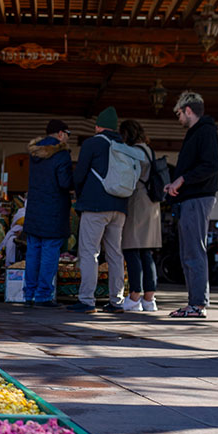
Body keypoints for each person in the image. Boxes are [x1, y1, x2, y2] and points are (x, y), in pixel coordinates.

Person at [165, 91, 218, 318]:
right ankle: (195, 303)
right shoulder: (196, 132)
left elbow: (211, 165)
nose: (178, 119)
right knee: (189, 251)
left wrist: (182, 179)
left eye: (178, 113)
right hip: (191, 197)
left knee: (194, 251)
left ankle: (197, 305)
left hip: (198, 197)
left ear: (188, 110)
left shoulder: (205, 131)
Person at [68, 106, 128, 314]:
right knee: (115, 254)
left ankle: (86, 300)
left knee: (89, 252)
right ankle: (116, 301)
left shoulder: (92, 144)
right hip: (120, 207)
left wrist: (79, 196)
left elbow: (80, 174)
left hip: (95, 206)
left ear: (97, 126)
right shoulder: (124, 147)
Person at [22, 119, 73, 308]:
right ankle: (43, 296)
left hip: (35, 208)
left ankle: (29, 295)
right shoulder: (61, 155)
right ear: (60, 134)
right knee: (50, 252)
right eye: (67, 133)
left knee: (33, 251)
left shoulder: (34, 153)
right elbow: (65, 183)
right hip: (54, 210)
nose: (67, 138)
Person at [119, 120, 162, 312]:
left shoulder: (134, 152)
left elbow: (129, 178)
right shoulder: (149, 150)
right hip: (152, 204)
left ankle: (134, 296)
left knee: (131, 248)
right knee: (146, 252)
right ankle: (149, 299)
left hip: (137, 201)